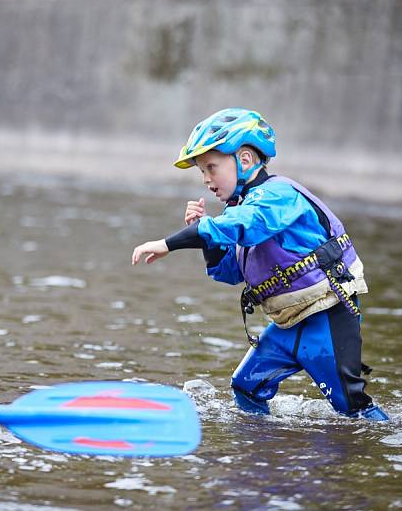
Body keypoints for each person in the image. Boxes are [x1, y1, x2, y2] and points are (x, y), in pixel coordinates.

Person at [131, 108, 388, 421]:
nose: (206, 179)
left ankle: (389, 441)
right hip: (288, 324)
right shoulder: (240, 211)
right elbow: (228, 272)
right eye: (202, 172)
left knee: (352, 408)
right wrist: (206, 239)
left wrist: (169, 243)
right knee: (246, 388)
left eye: (211, 167)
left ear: (245, 160)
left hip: (328, 315)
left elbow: (242, 225)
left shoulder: (277, 196)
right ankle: (261, 456)